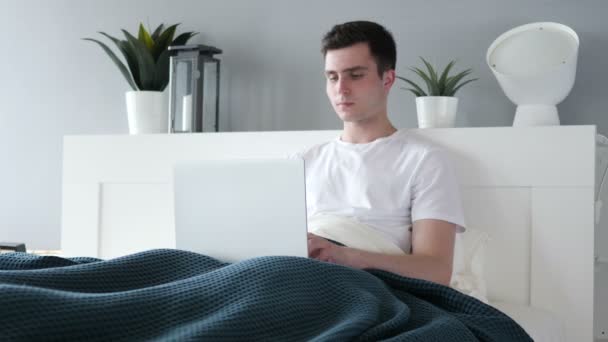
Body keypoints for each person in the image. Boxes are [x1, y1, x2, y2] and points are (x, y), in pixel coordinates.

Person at [303, 21, 465, 286]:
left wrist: (342, 255)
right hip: (295, 274)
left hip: (364, 286)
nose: (340, 89)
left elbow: (436, 270)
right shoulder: (303, 161)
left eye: (355, 75)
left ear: (387, 79)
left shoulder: (424, 160)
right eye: (332, 77)